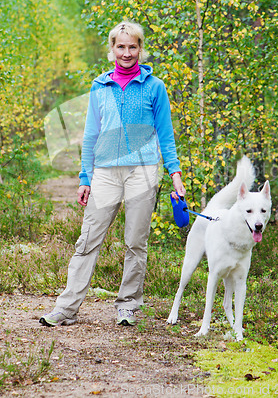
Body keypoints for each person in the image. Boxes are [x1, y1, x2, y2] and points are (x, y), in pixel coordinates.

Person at [39, 21, 185, 327]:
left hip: (142, 172)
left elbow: (166, 135)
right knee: (87, 240)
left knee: (135, 242)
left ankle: (128, 306)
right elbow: (90, 134)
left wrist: (175, 175)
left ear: (141, 50)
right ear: (112, 50)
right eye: (121, 46)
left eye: (133, 47)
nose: (127, 52)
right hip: (105, 173)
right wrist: (84, 176)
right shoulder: (99, 86)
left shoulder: (154, 87)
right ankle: (66, 309)